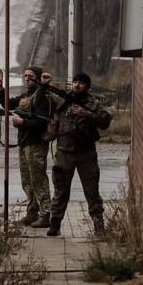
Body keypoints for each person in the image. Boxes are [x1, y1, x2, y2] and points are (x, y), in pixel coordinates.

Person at [46, 72, 112, 236]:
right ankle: (55, 224)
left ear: (87, 86)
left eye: (81, 83)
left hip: (86, 153)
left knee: (92, 191)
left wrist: (86, 114)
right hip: (64, 153)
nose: (77, 85)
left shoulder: (93, 103)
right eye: (75, 82)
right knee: (60, 190)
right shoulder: (63, 100)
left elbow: (105, 121)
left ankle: (98, 225)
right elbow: (46, 106)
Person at [0, 65, 54, 228]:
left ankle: (45, 214)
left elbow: (43, 123)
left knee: (38, 180)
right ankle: (32, 212)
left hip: (36, 144)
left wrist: (23, 122)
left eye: (30, 76)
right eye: (25, 76)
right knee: (27, 181)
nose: (27, 78)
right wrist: (0, 88)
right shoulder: (26, 96)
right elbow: (8, 104)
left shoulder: (43, 97)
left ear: (38, 78)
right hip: (24, 142)